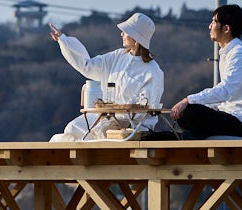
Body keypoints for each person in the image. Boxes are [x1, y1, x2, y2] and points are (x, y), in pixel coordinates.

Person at [48, 12, 165, 142]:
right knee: (72, 129)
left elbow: (146, 108)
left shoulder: (152, 71)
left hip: (132, 126)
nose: (121, 34)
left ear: (136, 38)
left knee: (98, 136)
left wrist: (121, 112)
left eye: (126, 32)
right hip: (107, 118)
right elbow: (88, 65)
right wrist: (65, 41)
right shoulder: (116, 57)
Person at [168, 4, 242, 139]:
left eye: (213, 22)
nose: (209, 26)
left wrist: (189, 100)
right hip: (230, 116)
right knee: (183, 116)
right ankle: (186, 137)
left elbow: (226, 91)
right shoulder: (228, 53)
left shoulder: (239, 55)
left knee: (190, 111)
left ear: (226, 29)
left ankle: (186, 137)